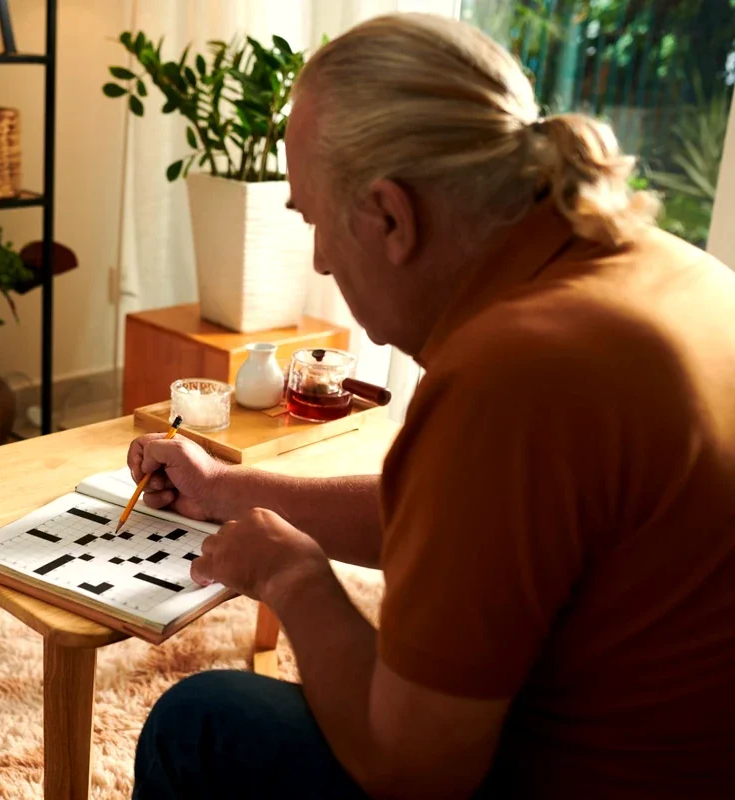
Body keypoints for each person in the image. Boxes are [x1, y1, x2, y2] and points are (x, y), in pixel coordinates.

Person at [129, 13, 735, 800]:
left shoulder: (513, 370)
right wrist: (228, 490)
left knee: (202, 720)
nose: (316, 257)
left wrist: (294, 578)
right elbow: (473, 522)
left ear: (391, 216)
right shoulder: (665, 267)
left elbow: (415, 769)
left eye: (315, 220)